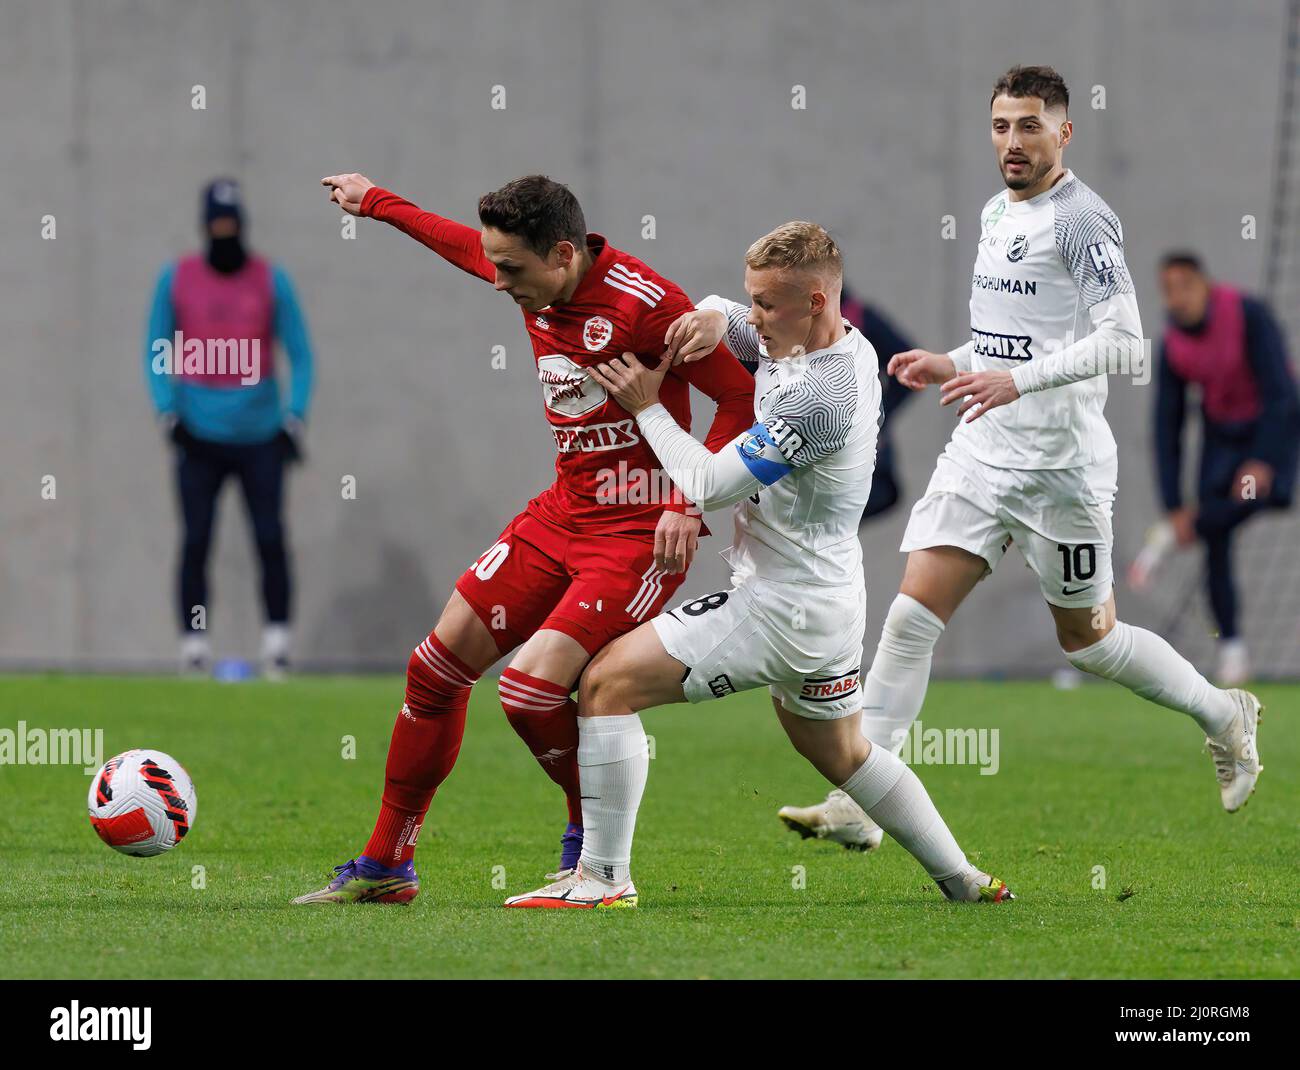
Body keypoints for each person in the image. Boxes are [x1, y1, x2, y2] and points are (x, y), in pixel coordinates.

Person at [777, 66, 1263, 855]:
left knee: (1092, 640)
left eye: (1030, 125)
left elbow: (1122, 342)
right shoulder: (995, 211)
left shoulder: (1083, 222)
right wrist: (952, 361)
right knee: (909, 617)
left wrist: (1016, 380)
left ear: (1064, 132)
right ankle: (862, 795)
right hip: (982, 450)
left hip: (1060, 468)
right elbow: (1013, 340)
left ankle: (1224, 713)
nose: (1012, 140)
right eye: (1002, 125)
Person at [503, 222, 1014, 909]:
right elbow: (729, 319)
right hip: (827, 602)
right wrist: (714, 314)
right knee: (844, 756)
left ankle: (601, 879)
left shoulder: (822, 397)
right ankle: (966, 882)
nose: (754, 317)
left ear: (818, 302)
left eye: (767, 305)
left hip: (784, 606)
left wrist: (648, 409)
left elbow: (711, 485)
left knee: (604, 686)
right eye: (752, 299)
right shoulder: (804, 337)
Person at [293, 172, 755, 903]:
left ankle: (591, 848)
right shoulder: (530, 274)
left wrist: (687, 504)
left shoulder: (647, 306)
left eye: (511, 268)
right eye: (496, 263)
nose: (498, 280)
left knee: (531, 692)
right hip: (563, 513)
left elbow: (739, 395)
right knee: (433, 670)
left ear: (562, 254)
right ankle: (387, 864)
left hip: (637, 531)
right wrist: (376, 202)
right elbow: (458, 245)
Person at [144, 178, 314, 679]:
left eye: (232, 224)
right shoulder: (175, 279)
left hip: (260, 435)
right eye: (216, 224)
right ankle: (194, 647)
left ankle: (276, 645)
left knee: (269, 536)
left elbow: (300, 354)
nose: (225, 232)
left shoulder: (271, 280)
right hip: (197, 435)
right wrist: (166, 412)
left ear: (242, 225)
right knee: (197, 539)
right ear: (204, 225)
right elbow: (155, 347)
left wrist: (294, 418)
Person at [1128, 253, 1299, 685]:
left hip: (1271, 426)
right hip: (1221, 437)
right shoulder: (1174, 346)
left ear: (1205, 284)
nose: (1177, 297)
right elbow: (1167, 427)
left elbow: (1280, 391)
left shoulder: (1247, 314)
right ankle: (1233, 650)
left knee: (1262, 495)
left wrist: (1261, 460)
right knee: (1214, 537)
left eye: (1185, 285)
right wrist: (1173, 505)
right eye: (1168, 289)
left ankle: (1168, 540)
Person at [840, 284, 917, 521]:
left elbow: (908, 367)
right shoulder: (773, 321)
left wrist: (877, 412)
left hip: (860, 465)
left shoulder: (859, 318)